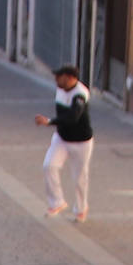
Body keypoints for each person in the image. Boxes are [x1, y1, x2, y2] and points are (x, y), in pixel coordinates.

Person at [35, 64, 94, 223]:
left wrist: (49, 121)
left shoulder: (80, 94)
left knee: (80, 176)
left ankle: (81, 208)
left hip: (81, 142)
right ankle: (57, 202)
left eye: (58, 77)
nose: (55, 80)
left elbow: (73, 117)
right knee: (49, 165)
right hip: (62, 138)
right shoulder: (60, 89)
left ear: (69, 78)